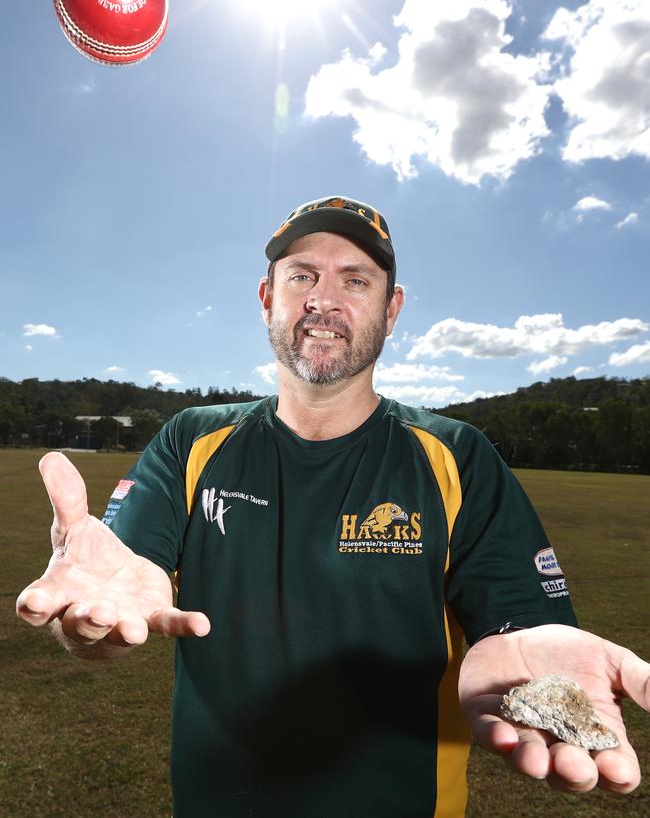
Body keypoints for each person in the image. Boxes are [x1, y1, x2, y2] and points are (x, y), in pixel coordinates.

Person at [17, 196, 649, 818]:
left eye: (355, 279)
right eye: (302, 276)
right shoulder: (191, 439)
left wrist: (537, 653)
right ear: (267, 297)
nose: (324, 299)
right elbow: (121, 599)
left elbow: (524, 620)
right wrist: (92, 628)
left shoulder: (456, 454)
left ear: (391, 308)